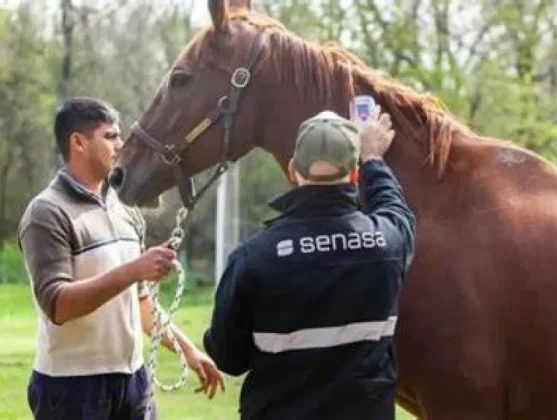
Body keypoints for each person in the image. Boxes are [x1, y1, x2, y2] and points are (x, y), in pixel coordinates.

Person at [18, 97, 224, 420]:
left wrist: (188, 351)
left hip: (133, 383)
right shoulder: (46, 213)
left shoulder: (125, 209)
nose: (121, 145)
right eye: (110, 136)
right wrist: (132, 271)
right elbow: (58, 305)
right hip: (71, 389)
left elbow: (140, 303)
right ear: (78, 143)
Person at [203, 107, 416, 420]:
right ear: (355, 175)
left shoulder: (253, 258)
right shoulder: (389, 240)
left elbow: (228, 358)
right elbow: (395, 208)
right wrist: (374, 160)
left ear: (292, 170)